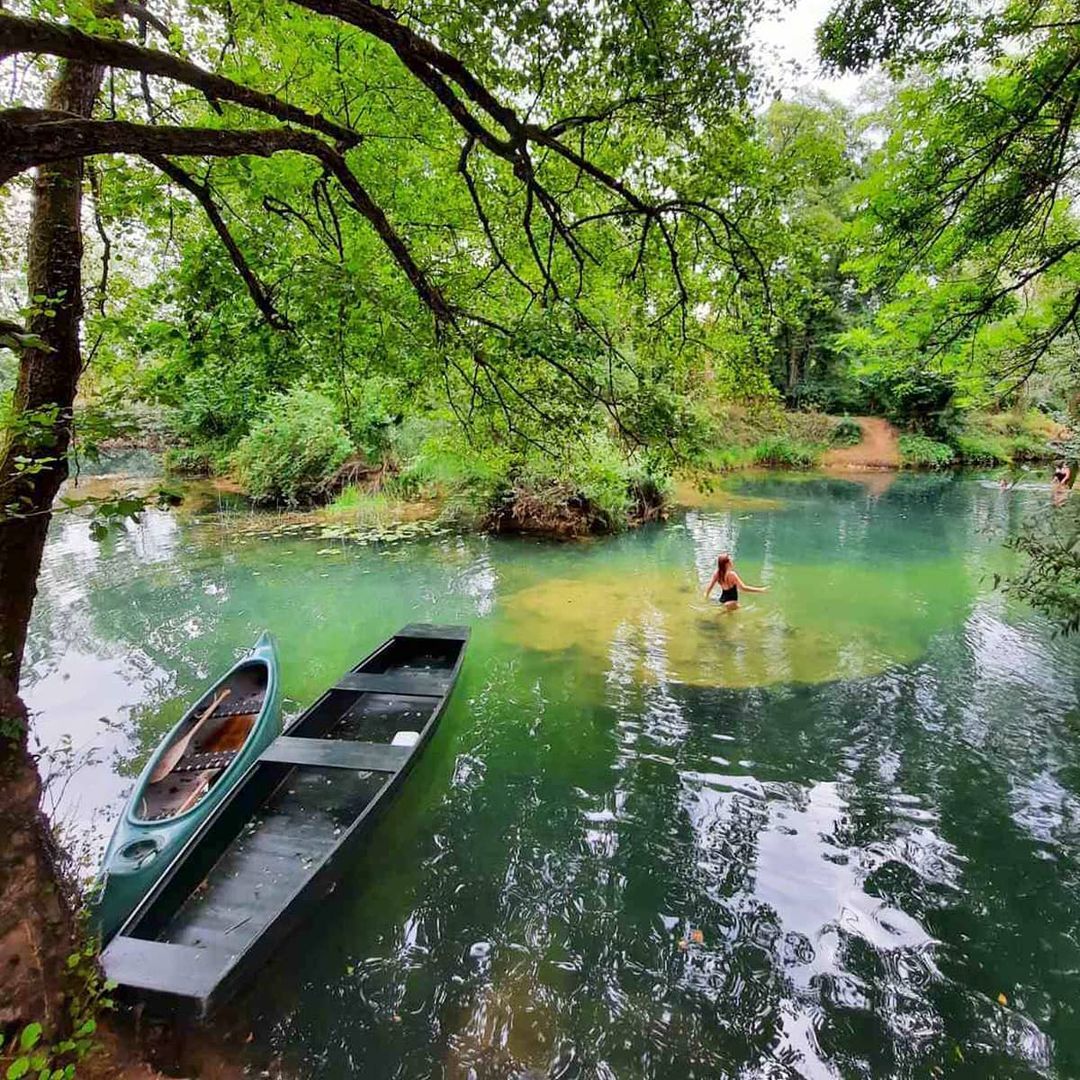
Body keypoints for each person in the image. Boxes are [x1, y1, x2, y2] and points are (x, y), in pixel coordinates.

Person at [703, 552, 768, 611]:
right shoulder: (732, 575)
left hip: (722, 599)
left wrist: (706, 596)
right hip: (732, 602)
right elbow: (743, 588)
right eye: (730, 560)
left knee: (728, 615)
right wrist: (760, 590)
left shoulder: (717, 573)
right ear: (727, 564)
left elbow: (710, 587)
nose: (731, 561)